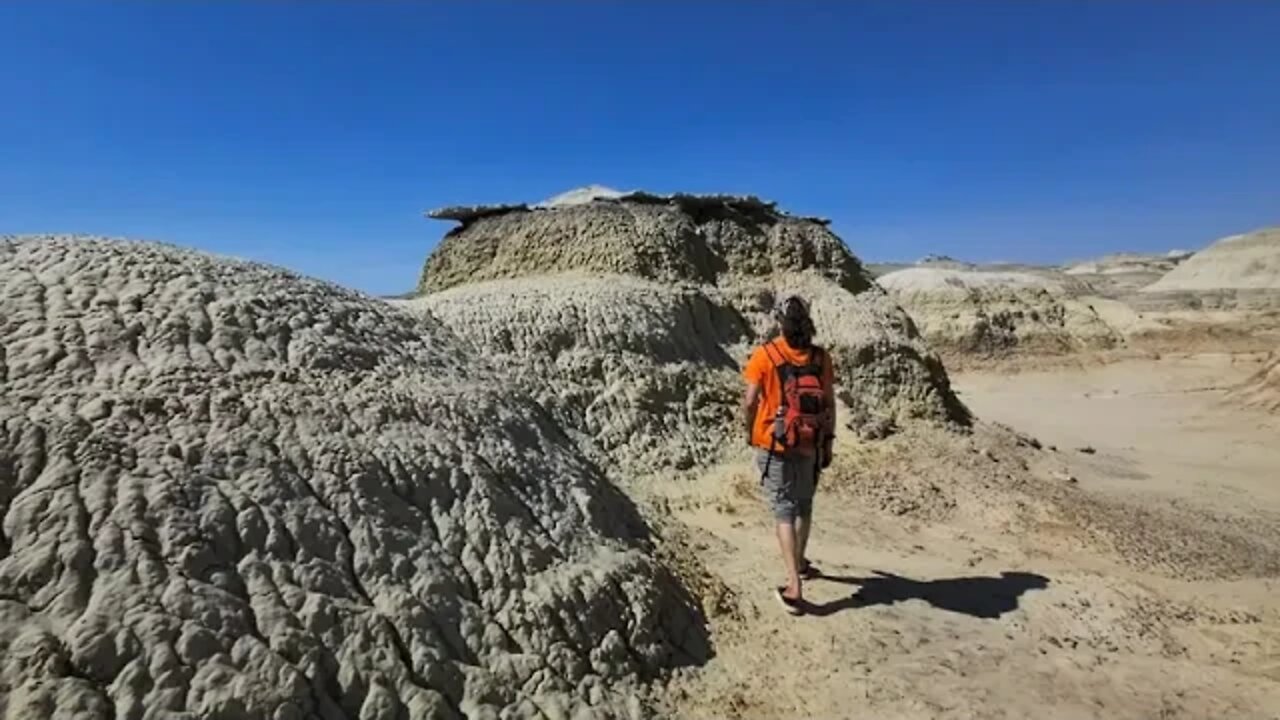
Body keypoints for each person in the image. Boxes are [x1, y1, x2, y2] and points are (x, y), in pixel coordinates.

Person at [741, 295, 835, 615]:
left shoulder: (765, 355)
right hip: (810, 441)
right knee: (804, 504)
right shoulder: (820, 358)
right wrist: (827, 442)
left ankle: (794, 585)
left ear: (780, 323)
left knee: (784, 509)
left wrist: (750, 431)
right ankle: (801, 562)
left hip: (774, 442)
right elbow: (829, 403)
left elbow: (750, 401)